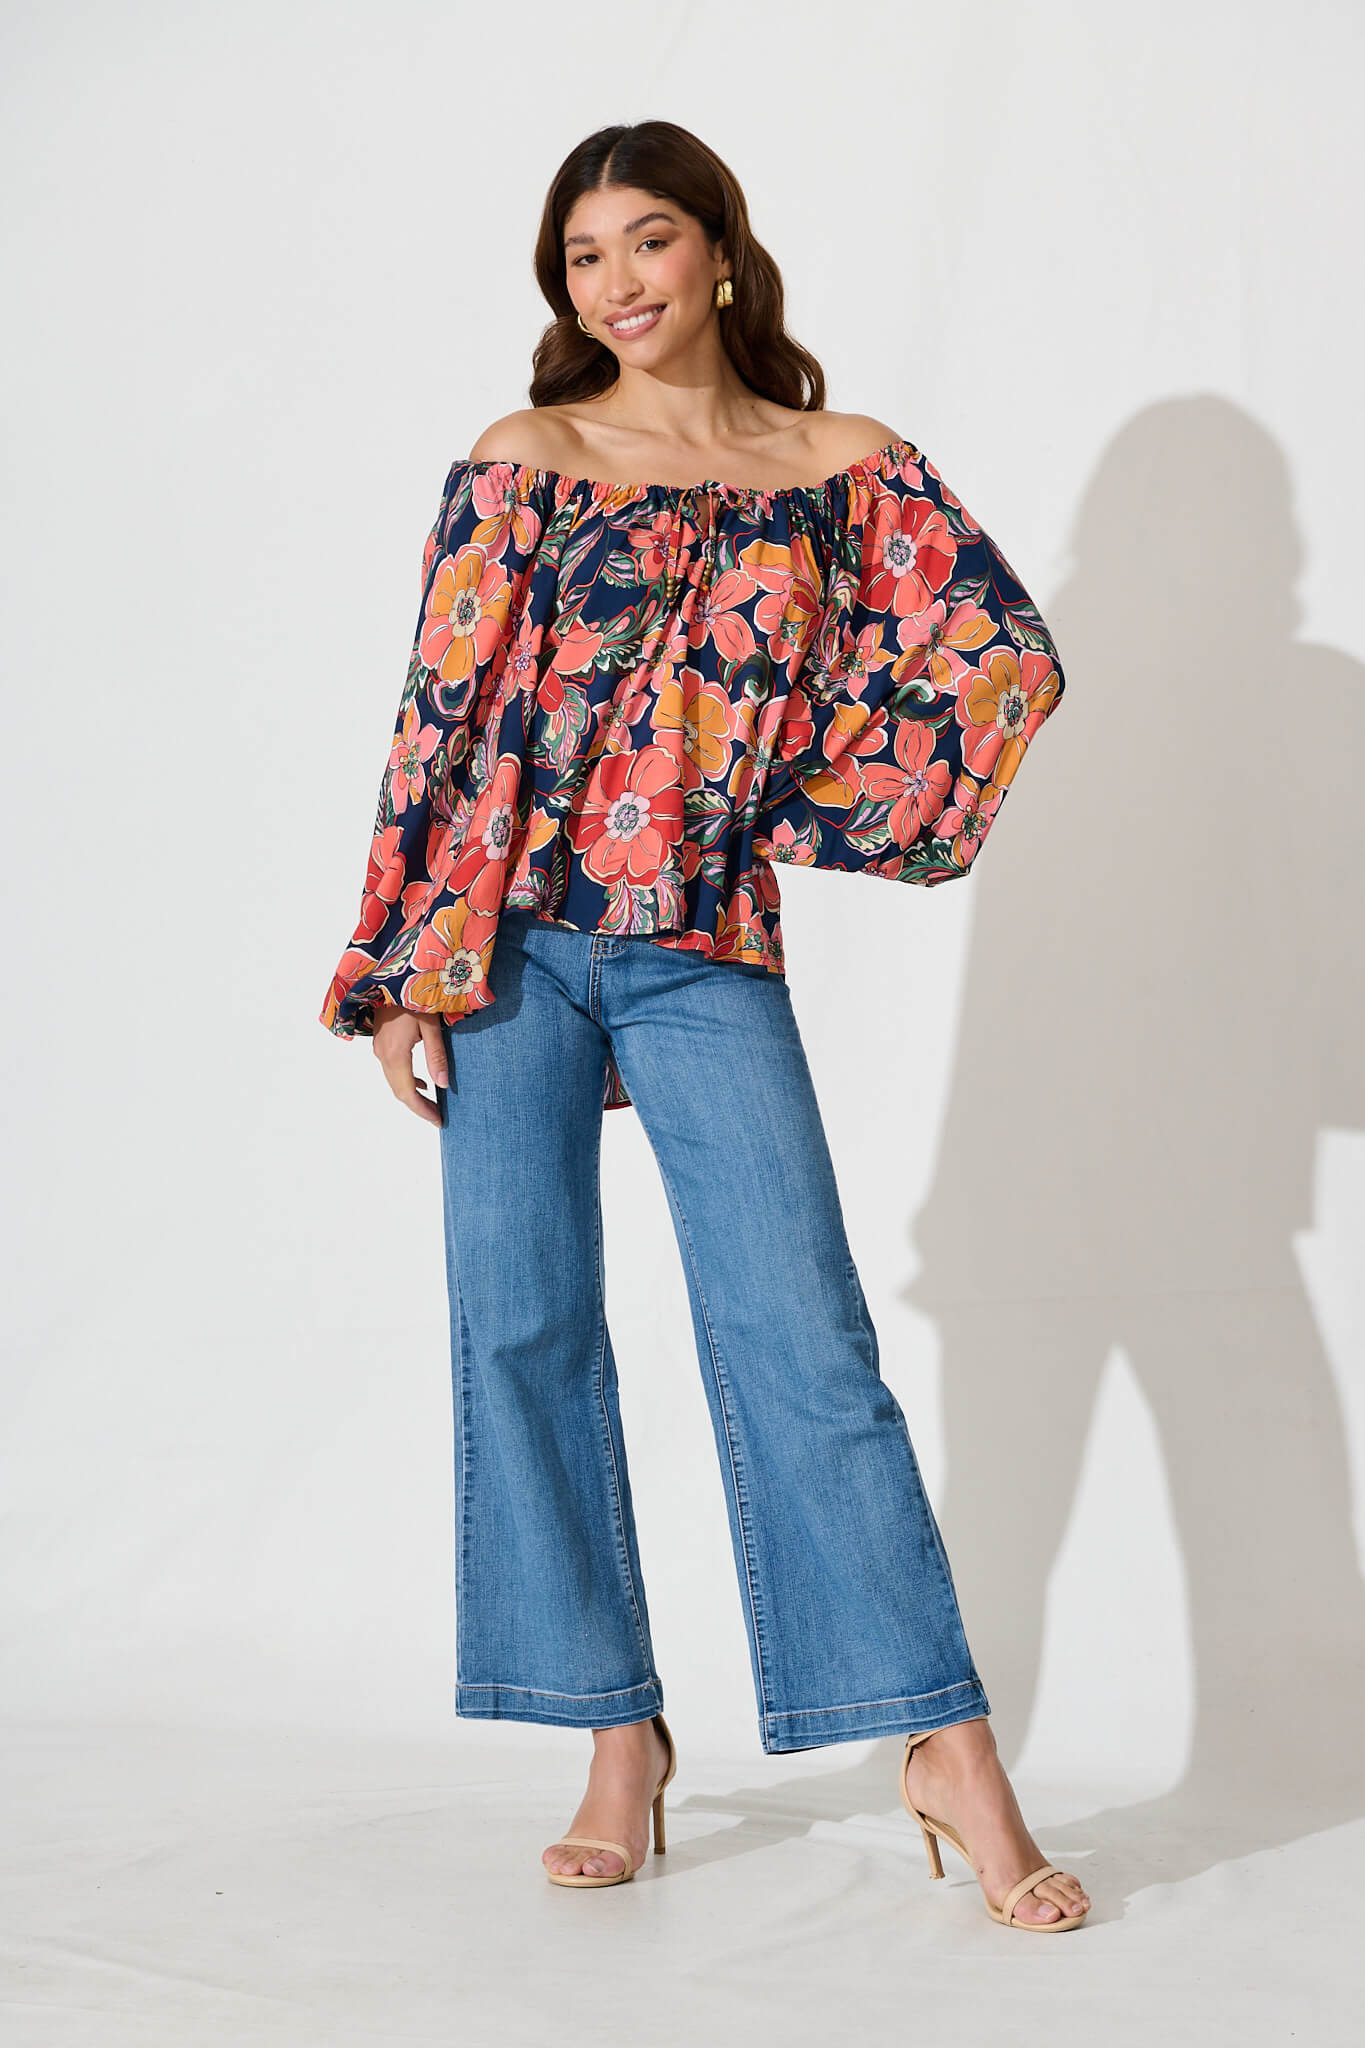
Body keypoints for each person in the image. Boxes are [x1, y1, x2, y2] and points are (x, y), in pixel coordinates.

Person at [319, 120, 1090, 1932]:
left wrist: (780, 801)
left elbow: (1004, 658)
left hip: (700, 947)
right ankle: (615, 1733)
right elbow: (441, 722)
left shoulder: (842, 466)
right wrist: (400, 962)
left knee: (800, 1340)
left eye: (647, 241)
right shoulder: (527, 458)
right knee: (521, 1325)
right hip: (509, 943)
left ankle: (942, 1744)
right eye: (582, 257)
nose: (618, 283)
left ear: (720, 252)